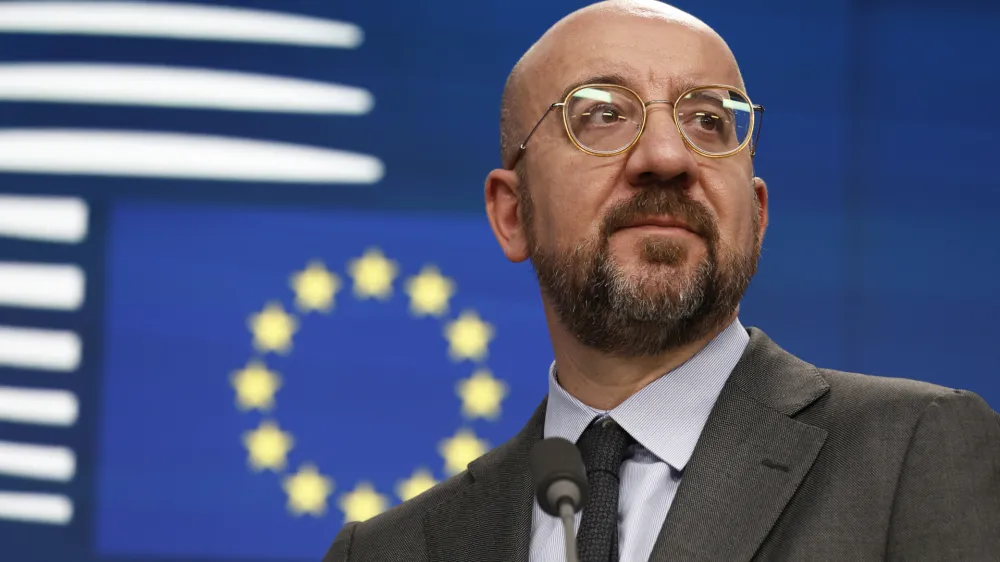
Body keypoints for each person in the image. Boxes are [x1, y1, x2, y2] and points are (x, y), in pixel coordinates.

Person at [323, 1, 1000, 560]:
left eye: (709, 119)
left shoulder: (914, 452)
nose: (668, 156)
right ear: (511, 213)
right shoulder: (390, 550)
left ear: (757, 215)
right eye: (602, 114)